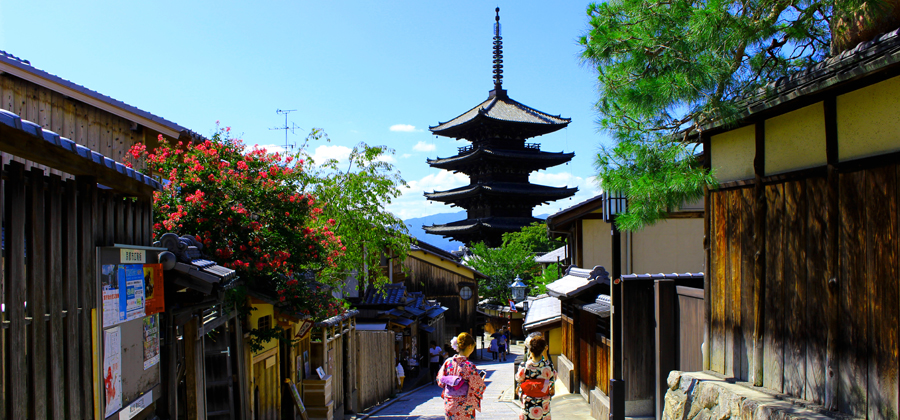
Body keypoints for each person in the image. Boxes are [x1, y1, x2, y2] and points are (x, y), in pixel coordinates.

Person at [437, 333, 486, 420]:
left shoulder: (447, 362)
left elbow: (440, 381)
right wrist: (480, 381)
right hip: (464, 405)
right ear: (470, 346)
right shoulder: (469, 366)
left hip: (449, 403)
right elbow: (479, 387)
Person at [515, 336, 556, 420]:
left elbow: (519, 379)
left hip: (528, 404)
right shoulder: (548, 366)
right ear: (543, 350)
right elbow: (553, 379)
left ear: (530, 350)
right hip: (543, 404)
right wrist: (545, 356)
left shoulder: (524, 366)